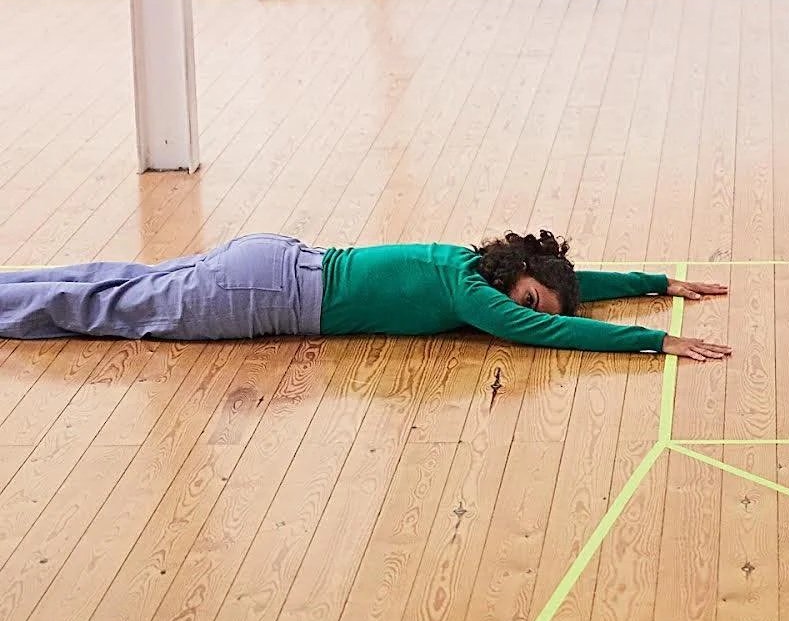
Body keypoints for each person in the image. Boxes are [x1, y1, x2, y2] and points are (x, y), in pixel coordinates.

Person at [0, 231, 733, 360]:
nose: (526, 312)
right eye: (531, 298)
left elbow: (566, 295)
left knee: (118, 284)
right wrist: (653, 338)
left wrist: (656, 284)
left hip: (270, 264)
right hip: (264, 296)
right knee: (104, 310)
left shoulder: (465, 264)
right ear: (514, 280)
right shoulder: (477, 300)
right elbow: (546, 331)